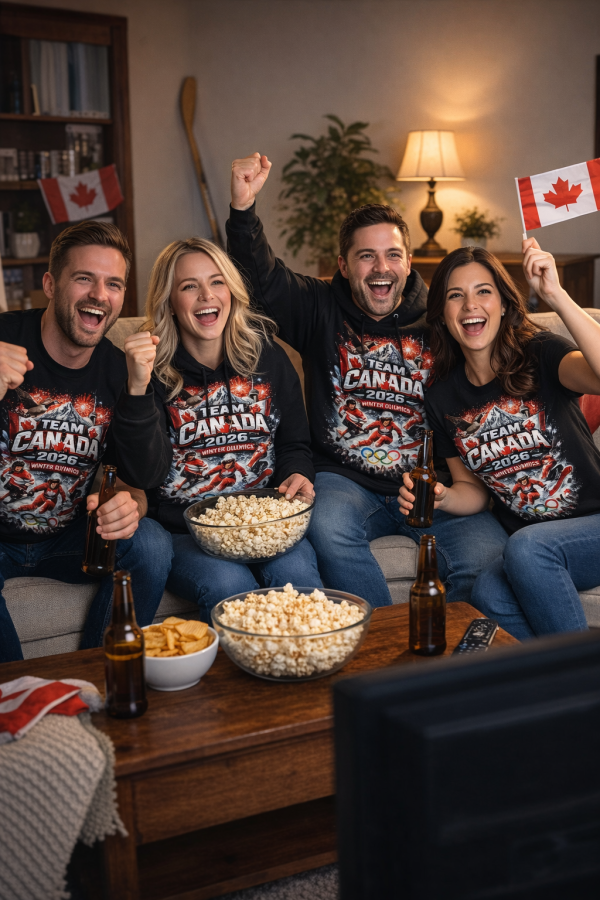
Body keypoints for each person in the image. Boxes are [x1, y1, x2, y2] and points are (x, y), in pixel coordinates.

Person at [226, 153, 507, 607]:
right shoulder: (319, 307)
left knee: (489, 555)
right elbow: (261, 281)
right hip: (345, 482)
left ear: (409, 262)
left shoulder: (443, 318)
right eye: (366, 256)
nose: (381, 268)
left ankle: (448, 650)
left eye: (392, 255)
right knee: (326, 529)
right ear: (343, 264)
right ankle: (380, 643)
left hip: (432, 485)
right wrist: (243, 211)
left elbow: (502, 348)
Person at [399, 239, 600, 639]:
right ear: (443, 314)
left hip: (591, 524)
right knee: (488, 591)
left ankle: (580, 677)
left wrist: (556, 295)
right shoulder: (442, 397)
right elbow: (472, 490)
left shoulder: (540, 353)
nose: (470, 305)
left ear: (504, 304)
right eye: (456, 295)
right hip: (533, 545)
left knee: (526, 548)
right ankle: (545, 678)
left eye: (483, 292)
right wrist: (443, 497)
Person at [0, 221, 173, 662]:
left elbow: (140, 481)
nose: (99, 294)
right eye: (84, 278)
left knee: (151, 543)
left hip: (69, 537)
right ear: (50, 285)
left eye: (113, 284)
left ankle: (100, 676)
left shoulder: (121, 370)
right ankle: (20, 693)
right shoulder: (4, 340)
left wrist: (129, 507)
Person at [141, 237, 322, 622]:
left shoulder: (267, 356)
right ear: (169, 302)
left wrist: (297, 473)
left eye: (217, 281)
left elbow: (294, 443)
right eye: (189, 286)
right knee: (230, 586)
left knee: (299, 580)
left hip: (266, 524)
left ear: (232, 292)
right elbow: (143, 471)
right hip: (185, 532)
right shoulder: (152, 374)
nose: (207, 296)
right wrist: (136, 388)